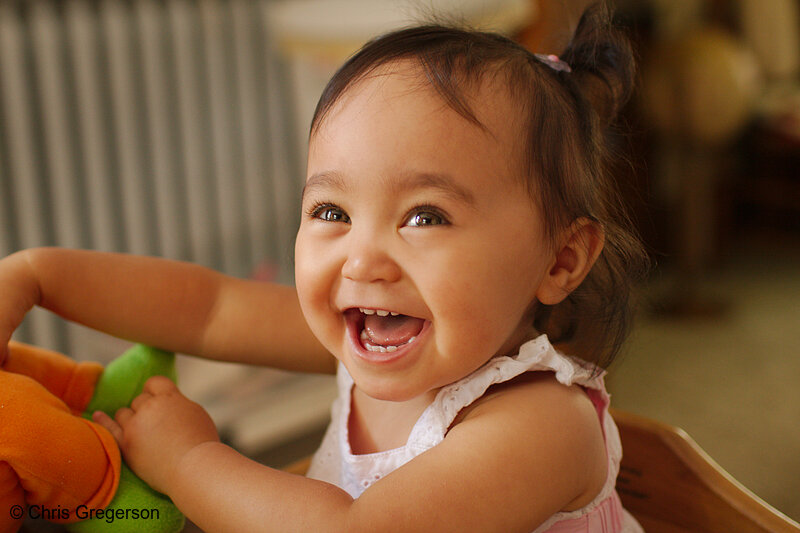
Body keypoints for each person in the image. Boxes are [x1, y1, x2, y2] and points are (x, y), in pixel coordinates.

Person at [0, 3, 648, 531]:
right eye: (332, 211)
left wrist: (187, 458)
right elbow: (205, 309)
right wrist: (36, 275)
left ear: (560, 260)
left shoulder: (540, 424)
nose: (361, 258)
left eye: (425, 216)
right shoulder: (365, 335)